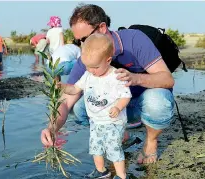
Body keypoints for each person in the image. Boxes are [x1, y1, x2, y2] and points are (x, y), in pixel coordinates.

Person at [41, 4, 175, 167]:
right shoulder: (88, 56)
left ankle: (151, 141)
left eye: (84, 39)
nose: (82, 46)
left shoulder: (134, 40)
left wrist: (135, 78)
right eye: (78, 41)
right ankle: (121, 134)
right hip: (115, 109)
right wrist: (52, 128)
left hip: (142, 104)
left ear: (102, 27)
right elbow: (67, 100)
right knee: (79, 107)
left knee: (157, 101)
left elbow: (167, 79)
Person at [60, 34, 131, 179]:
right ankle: (101, 171)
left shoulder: (116, 76)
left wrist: (118, 107)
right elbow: (75, 89)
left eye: (95, 67)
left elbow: (125, 96)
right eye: (88, 66)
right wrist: (62, 87)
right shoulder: (88, 75)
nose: (91, 70)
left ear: (108, 60)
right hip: (95, 121)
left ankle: (122, 175)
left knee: (114, 150)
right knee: (95, 149)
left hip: (113, 122)